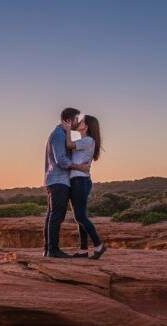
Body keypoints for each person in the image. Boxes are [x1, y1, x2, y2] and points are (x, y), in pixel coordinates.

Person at [43, 107, 90, 258]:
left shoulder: (63, 134)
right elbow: (61, 160)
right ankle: (53, 250)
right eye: (77, 119)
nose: (79, 121)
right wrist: (79, 167)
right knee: (56, 215)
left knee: (53, 214)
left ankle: (49, 249)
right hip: (58, 180)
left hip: (57, 180)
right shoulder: (58, 135)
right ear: (69, 120)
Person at [65, 115, 106, 259]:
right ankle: (83, 250)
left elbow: (68, 145)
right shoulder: (83, 141)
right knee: (79, 217)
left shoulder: (88, 140)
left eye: (81, 121)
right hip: (78, 180)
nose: (78, 122)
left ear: (86, 126)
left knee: (80, 216)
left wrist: (68, 129)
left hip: (80, 181)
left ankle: (99, 245)